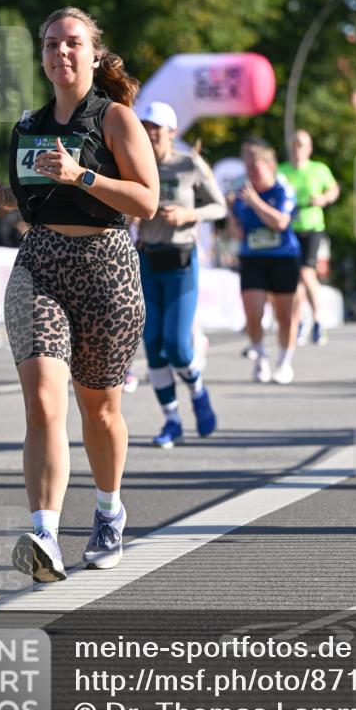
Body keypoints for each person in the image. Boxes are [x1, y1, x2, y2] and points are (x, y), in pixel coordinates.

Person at [0, 7, 158, 581]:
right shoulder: (28, 125)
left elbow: (147, 202)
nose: (61, 53)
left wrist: (82, 175)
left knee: (99, 410)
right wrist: (4, 197)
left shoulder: (117, 120)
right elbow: (36, 199)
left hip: (106, 270)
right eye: (52, 44)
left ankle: (108, 512)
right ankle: (45, 534)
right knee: (42, 401)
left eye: (72, 44)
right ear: (43, 56)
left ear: (93, 53)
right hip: (42, 268)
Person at [136, 101, 226, 449]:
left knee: (175, 343)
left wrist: (189, 214)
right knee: (154, 347)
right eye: (146, 125)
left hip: (181, 262)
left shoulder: (190, 164)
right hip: (148, 258)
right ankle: (172, 420)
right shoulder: (136, 164)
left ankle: (198, 391)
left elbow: (220, 206)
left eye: (156, 126)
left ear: (172, 131)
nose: (150, 132)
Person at [231, 144, 300, 384]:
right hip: (253, 258)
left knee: (285, 316)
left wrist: (255, 203)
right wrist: (233, 215)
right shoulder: (241, 193)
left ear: (270, 167)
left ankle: (284, 362)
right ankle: (260, 356)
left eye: (255, 167)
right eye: (247, 167)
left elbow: (280, 222)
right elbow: (237, 231)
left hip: (283, 258)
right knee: (253, 313)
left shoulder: (283, 190)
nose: (250, 172)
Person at [278, 129, 339, 346]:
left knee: (306, 273)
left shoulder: (318, 169)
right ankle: (299, 321)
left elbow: (334, 189)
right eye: (294, 144)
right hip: (289, 228)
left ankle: (318, 319)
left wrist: (323, 198)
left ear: (309, 148)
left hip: (312, 226)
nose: (297, 148)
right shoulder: (282, 170)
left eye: (301, 144)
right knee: (295, 280)